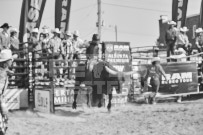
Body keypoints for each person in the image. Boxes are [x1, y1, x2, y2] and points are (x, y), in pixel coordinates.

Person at [0, 49, 17, 134]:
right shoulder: (1, 74)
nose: (12, 61)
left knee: (4, 117)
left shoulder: (3, 69)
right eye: (10, 60)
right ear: (5, 62)